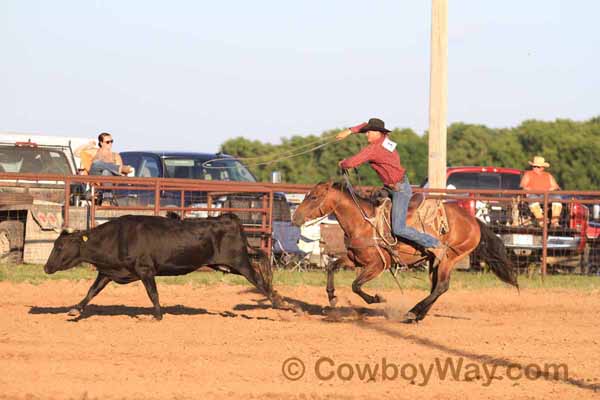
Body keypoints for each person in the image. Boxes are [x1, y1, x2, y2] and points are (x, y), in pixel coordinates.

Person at [336, 118, 443, 261]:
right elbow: (364, 126)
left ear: (378, 133)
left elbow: (352, 163)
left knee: (399, 228)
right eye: (366, 131)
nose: (366, 134)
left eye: (369, 132)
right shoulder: (385, 140)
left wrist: (343, 163)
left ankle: (434, 244)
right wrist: (350, 131)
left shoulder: (374, 148)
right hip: (392, 186)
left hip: (399, 189)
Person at [519, 155, 562, 227]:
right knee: (532, 198)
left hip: (547, 195)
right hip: (533, 195)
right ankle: (542, 222)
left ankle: (554, 222)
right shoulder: (528, 174)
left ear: (542, 168)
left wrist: (550, 189)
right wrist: (532, 190)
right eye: (534, 166)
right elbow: (523, 186)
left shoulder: (548, 175)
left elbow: (556, 187)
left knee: (557, 198)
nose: (535, 168)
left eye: (537, 167)